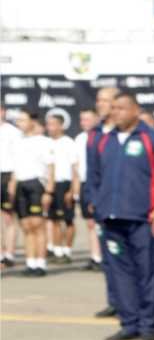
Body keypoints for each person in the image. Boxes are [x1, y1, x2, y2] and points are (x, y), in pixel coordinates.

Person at [89, 91, 154, 340]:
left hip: (144, 220)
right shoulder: (104, 140)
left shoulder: (152, 138)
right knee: (120, 274)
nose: (115, 112)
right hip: (111, 219)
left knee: (148, 273)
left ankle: (149, 325)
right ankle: (129, 323)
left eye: (121, 108)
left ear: (136, 110)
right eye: (113, 108)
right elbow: (93, 177)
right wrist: (96, 204)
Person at [84, 88, 121, 316]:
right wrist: (91, 198)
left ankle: (134, 303)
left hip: (126, 207)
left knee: (129, 259)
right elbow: (92, 171)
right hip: (103, 206)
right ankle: (115, 301)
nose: (100, 104)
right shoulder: (94, 134)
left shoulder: (125, 132)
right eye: (98, 100)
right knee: (109, 256)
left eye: (105, 100)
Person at [7, 111, 55, 276]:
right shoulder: (17, 143)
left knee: (38, 225)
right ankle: (30, 263)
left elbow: (51, 168)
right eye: (18, 120)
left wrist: (48, 191)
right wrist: (12, 188)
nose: (19, 123)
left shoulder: (44, 142)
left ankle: (41, 264)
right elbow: (15, 169)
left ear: (32, 121)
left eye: (22, 120)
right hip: (21, 186)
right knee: (26, 226)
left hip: (37, 185)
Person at [45, 112, 80, 263]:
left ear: (61, 126)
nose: (50, 127)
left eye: (53, 124)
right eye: (48, 124)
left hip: (65, 185)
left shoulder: (68, 143)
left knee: (68, 220)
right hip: (50, 185)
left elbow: (75, 169)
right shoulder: (46, 143)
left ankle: (67, 251)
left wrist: (72, 190)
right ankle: (57, 251)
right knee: (54, 219)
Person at [73, 109, 102, 270]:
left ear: (96, 119)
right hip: (85, 184)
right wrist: (76, 191)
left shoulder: (103, 136)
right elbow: (76, 167)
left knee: (101, 222)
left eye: (87, 119)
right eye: (82, 119)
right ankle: (95, 257)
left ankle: (105, 257)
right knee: (90, 223)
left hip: (100, 183)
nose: (84, 122)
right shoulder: (79, 138)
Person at [0, 105, 22, 268]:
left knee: (9, 217)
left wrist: (13, 181)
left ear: (3, 112)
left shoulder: (13, 132)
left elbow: (18, 157)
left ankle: (9, 254)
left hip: (8, 175)